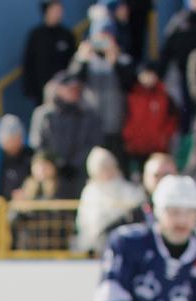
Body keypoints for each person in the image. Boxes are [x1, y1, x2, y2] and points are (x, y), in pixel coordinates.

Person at [32, 69, 107, 198]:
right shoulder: (44, 115)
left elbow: (95, 143)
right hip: (52, 177)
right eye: (69, 88)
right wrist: (56, 164)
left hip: (81, 174)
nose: (73, 91)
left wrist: (74, 164)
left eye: (76, 88)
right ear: (58, 88)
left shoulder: (89, 115)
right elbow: (38, 145)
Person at [77, 146, 149, 252]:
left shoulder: (128, 189)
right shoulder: (90, 192)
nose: (108, 171)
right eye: (103, 167)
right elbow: (86, 223)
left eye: (110, 166)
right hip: (98, 246)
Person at [122, 62, 181, 169]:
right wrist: (129, 136)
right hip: (136, 147)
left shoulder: (164, 96)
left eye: (151, 74)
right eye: (145, 74)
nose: (148, 78)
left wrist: (164, 137)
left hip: (157, 147)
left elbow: (173, 119)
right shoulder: (133, 95)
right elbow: (126, 117)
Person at [25, 1, 80, 105]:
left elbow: (74, 62)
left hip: (65, 93)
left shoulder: (67, 35)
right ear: (47, 10)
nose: (60, 12)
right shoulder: (36, 36)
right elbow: (29, 64)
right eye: (56, 8)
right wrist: (32, 91)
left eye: (60, 9)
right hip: (42, 94)